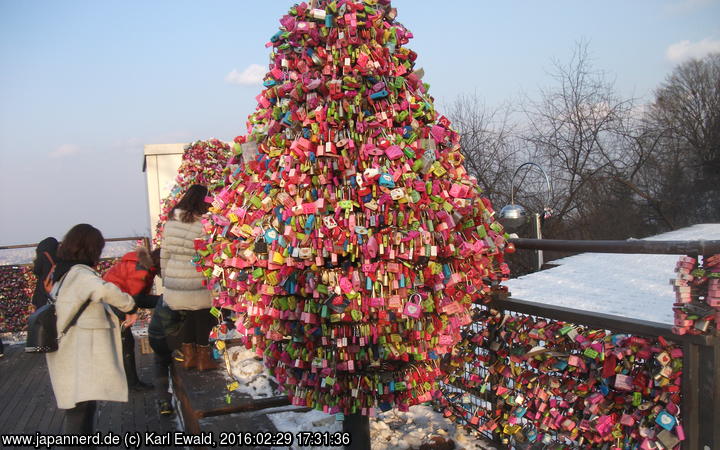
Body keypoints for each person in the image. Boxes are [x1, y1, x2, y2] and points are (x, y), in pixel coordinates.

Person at [46, 224, 136, 435]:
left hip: (72, 350)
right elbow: (102, 290)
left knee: (81, 407)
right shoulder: (79, 273)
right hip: (79, 352)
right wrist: (129, 306)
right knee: (79, 411)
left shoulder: (63, 272)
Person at [161, 184, 218, 371]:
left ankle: (188, 357)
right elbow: (209, 251)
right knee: (203, 316)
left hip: (175, 277)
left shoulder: (171, 222)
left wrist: (165, 277)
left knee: (185, 317)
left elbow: (164, 252)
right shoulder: (204, 223)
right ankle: (203, 359)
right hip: (197, 275)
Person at [103, 246, 161, 391]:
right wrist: (162, 300)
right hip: (113, 304)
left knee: (124, 343)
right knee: (125, 343)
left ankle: (128, 381)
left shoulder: (141, 264)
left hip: (111, 301)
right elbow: (135, 299)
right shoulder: (141, 270)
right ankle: (131, 383)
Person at [148, 296, 185, 415]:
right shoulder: (177, 299)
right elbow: (171, 328)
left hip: (154, 336)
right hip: (165, 338)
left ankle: (164, 401)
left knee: (160, 365)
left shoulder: (164, 297)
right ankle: (177, 396)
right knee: (172, 361)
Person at [31, 237, 58, 309]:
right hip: (56, 288)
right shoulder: (60, 255)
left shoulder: (43, 255)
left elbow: (36, 270)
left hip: (44, 288)